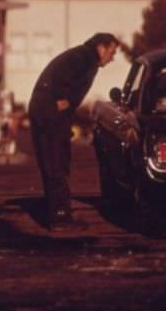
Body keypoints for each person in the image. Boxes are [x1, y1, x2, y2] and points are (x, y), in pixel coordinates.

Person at [29, 33, 118, 230]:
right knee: (56, 163)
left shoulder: (83, 57)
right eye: (111, 52)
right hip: (50, 113)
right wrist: (60, 99)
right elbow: (62, 78)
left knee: (56, 163)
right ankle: (60, 217)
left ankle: (57, 211)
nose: (112, 58)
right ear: (101, 48)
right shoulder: (83, 57)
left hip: (48, 113)